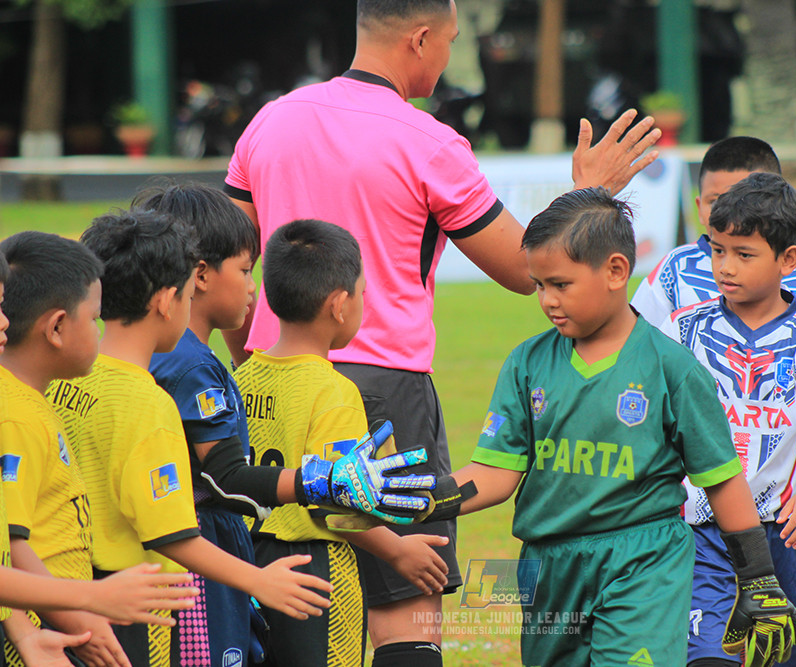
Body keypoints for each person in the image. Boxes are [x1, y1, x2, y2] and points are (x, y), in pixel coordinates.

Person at [223, 1, 662, 660]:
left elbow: (232, 268)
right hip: (386, 393)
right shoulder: (428, 141)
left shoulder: (270, 121)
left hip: (268, 382)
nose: (449, 59)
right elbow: (523, 267)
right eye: (450, 43)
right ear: (421, 38)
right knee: (406, 612)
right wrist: (588, 192)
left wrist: (255, 365)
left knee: (283, 595)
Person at [437, 187, 796, 667]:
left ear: (615, 271)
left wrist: (758, 578)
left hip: (643, 558)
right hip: (549, 566)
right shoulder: (527, 363)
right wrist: (427, 499)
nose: (546, 300)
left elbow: (721, 477)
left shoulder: (671, 367)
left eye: (560, 284)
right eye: (539, 284)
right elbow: (495, 475)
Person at [633, 136, 796, 658]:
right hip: (704, 523)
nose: (724, 266)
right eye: (717, 251)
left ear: (788, 260)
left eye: (743, 254)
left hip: (790, 526)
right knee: (705, 654)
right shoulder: (683, 328)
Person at [47, 209, 335, 667]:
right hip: (138, 606)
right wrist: (257, 580)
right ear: (167, 300)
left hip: (65, 591)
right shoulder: (148, 403)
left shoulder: (65, 381)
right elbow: (171, 534)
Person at [233, 219, 455, 666]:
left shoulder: (242, 379)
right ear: (339, 305)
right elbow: (336, 506)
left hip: (247, 561)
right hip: (314, 573)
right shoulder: (333, 392)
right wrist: (399, 550)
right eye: (362, 292)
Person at [0, 234, 199, 667]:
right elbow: (12, 546)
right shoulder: (16, 416)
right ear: (55, 328)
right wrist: (75, 616)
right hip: (45, 630)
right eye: (94, 319)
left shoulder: (38, 399)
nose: (98, 331)